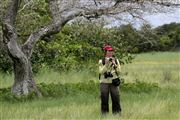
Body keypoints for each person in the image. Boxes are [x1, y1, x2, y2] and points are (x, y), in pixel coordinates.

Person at [98, 44, 121, 114]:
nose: (111, 52)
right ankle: (104, 115)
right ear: (105, 52)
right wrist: (106, 64)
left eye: (112, 51)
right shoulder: (101, 61)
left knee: (116, 99)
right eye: (109, 51)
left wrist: (115, 64)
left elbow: (119, 72)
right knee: (104, 99)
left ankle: (117, 114)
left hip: (114, 82)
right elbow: (101, 72)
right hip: (104, 82)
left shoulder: (116, 60)